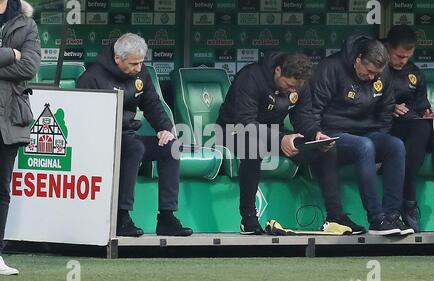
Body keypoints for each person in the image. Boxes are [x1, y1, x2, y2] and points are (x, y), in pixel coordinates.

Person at [216, 52, 366, 235]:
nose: (292, 91)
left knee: (325, 148)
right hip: (232, 132)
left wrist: (316, 134)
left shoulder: (299, 85)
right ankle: (248, 219)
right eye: (289, 85)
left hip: (273, 135)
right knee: (252, 147)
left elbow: (304, 118)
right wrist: (280, 140)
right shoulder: (250, 77)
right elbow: (246, 123)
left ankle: (335, 217)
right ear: (277, 71)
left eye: (296, 87)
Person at [77, 33, 192, 237]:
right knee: (134, 147)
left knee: (171, 146)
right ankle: (121, 217)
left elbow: (153, 104)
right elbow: (82, 120)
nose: (138, 68)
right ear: (117, 58)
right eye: (133, 64)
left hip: (128, 134)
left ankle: (166, 217)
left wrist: (164, 129)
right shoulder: (92, 78)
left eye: (141, 63)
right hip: (102, 140)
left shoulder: (141, 74)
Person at [311, 32, 413, 236]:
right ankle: (376, 218)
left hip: (367, 132)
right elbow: (313, 111)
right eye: (368, 71)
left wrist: (379, 149)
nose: (372, 77)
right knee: (364, 146)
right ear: (358, 59)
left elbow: (386, 112)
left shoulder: (381, 74)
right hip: (332, 133)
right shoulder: (330, 68)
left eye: (377, 73)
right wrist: (317, 135)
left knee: (395, 145)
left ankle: (392, 216)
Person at [385, 25, 434, 232]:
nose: (403, 61)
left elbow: (423, 107)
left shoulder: (414, 73)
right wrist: (390, 106)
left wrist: (429, 114)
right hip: (392, 128)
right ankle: (409, 203)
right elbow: (366, 103)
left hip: (416, 128)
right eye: (399, 56)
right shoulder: (376, 69)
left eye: (407, 56)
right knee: (421, 130)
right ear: (388, 48)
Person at [0, 0, 40, 275]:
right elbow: (18, 63)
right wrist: (10, 55)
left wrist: (17, 58)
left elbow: (29, 67)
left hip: (10, 119)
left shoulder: (26, 22)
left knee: (1, 191)